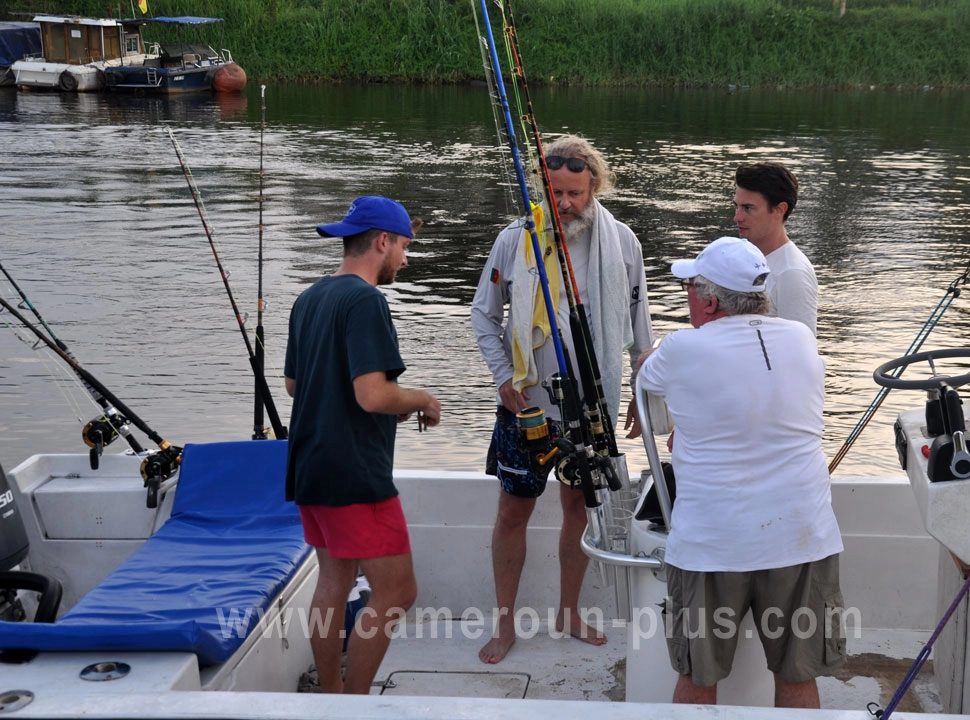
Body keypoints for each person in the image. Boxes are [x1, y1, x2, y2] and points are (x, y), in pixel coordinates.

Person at [637, 237, 845, 708]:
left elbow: (647, 375)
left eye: (689, 286)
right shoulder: (801, 337)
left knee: (697, 677)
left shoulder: (681, 348)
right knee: (798, 676)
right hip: (802, 536)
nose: (686, 294)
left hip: (713, 543)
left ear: (709, 300)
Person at [471, 134, 654, 664]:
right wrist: (505, 378)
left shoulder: (622, 242)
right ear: (541, 188)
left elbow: (639, 328)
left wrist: (642, 397)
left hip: (591, 408)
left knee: (580, 509)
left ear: (594, 186)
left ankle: (568, 612)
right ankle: (504, 624)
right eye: (554, 192)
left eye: (574, 192)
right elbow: (484, 315)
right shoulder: (515, 239)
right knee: (512, 512)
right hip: (525, 407)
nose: (565, 204)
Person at [284, 195, 442, 694]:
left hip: (309, 464)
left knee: (333, 580)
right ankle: (354, 702)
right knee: (397, 590)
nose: (405, 259)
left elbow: (293, 385)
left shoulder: (309, 298)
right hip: (354, 472)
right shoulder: (366, 301)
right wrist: (421, 399)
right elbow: (373, 395)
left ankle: (331, 695)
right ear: (381, 241)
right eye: (403, 247)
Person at [733, 162, 818, 335]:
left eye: (748, 208)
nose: (737, 217)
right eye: (737, 206)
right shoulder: (744, 259)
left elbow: (801, 351)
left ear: (779, 210)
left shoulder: (792, 273)